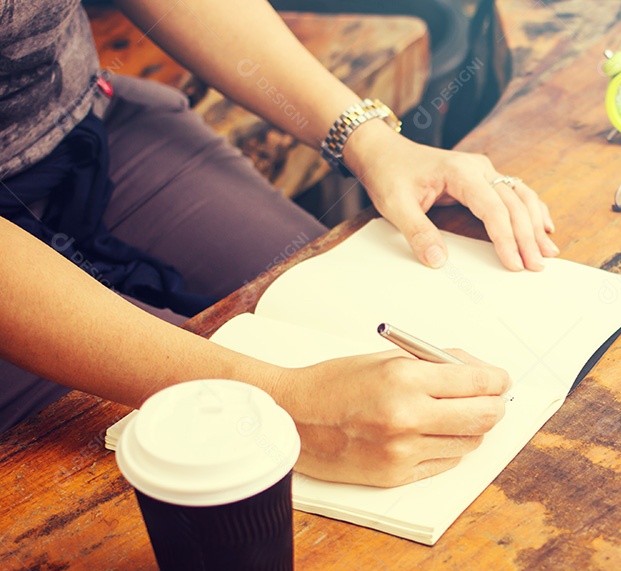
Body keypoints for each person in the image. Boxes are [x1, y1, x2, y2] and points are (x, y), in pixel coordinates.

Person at [0, 0, 558, 487]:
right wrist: (277, 404)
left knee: (320, 302)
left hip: (85, 134)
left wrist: (369, 140)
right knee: (166, 465)